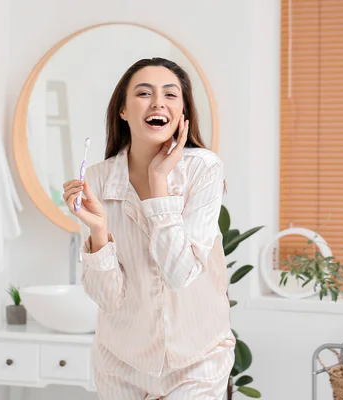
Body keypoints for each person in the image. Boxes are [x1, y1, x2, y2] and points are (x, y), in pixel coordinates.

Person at [62, 57, 235, 399]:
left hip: (197, 360)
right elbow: (109, 299)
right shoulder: (96, 180)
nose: (158, 102)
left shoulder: (203, 170)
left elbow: (180, 273)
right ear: (123, 110)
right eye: (144, 93)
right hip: (121, 364)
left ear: (183, 114)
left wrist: (158, 183)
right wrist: (99, 232)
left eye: (171, 95)